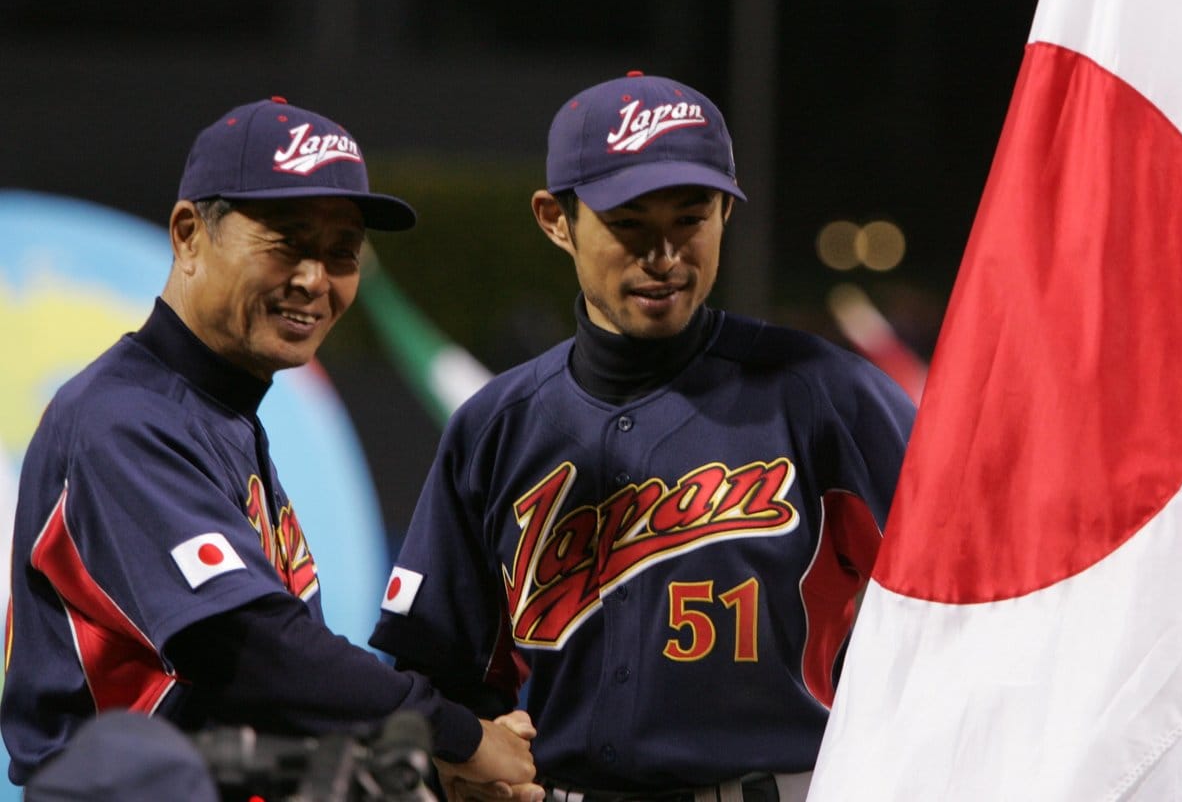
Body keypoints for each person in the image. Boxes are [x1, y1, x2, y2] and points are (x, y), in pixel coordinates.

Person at [370, 72, 916, 801]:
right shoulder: (498, 424)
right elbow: (434, 667)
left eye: (690, 219)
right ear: (554, 219)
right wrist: (457, 754)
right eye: (627, 222)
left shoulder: (822, 394)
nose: (663, 255)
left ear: (726, 209)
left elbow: (954, 605)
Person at [1, 97, 543, 801]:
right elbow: (252, 652)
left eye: (341, 251)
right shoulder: (122, 420)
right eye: (286, 240)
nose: (316, 278)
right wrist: (457, 734)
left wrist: (426, 766)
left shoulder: (218, 415)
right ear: (189, 233)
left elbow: (264, 711)